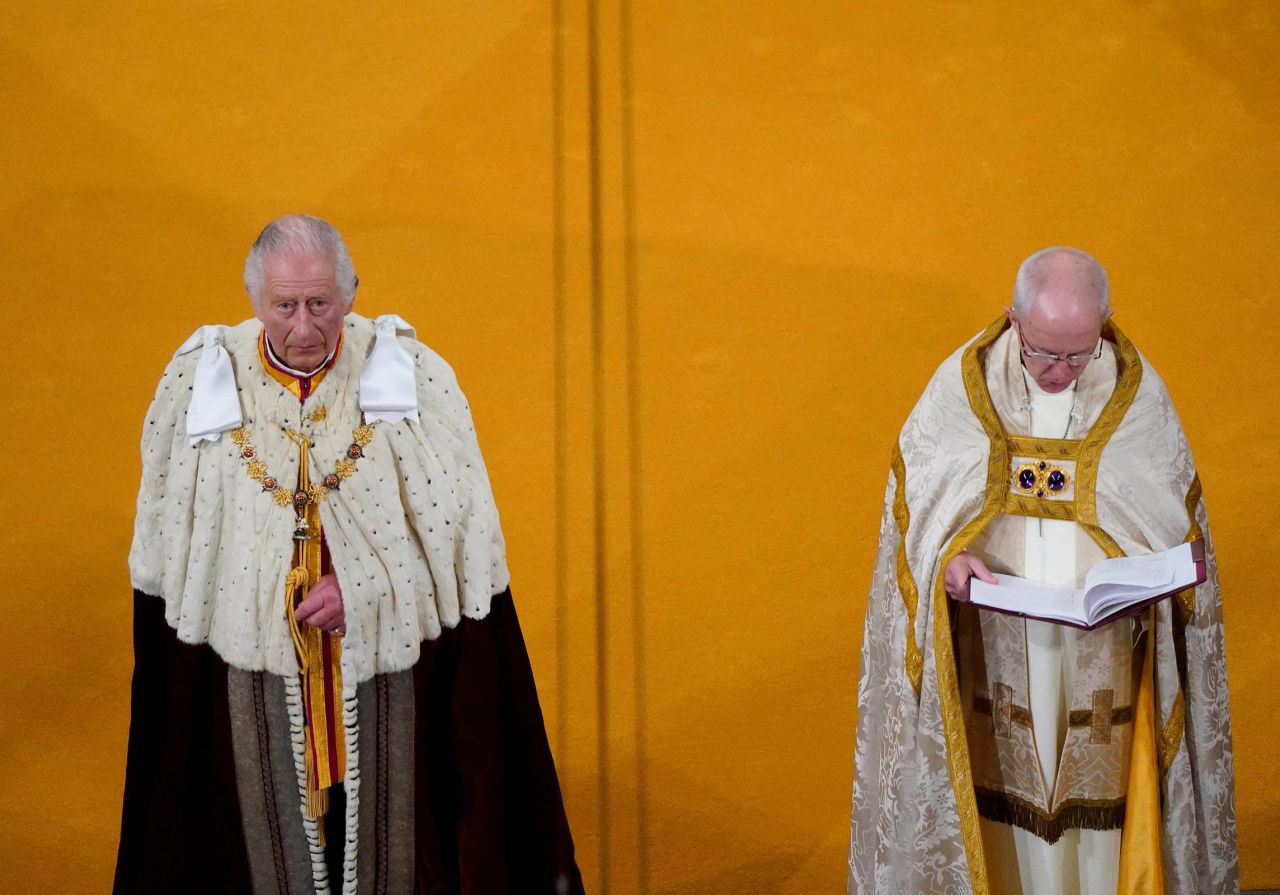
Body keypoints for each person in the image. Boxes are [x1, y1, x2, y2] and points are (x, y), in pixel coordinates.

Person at [115, 214, 585, 894]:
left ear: (352, 292)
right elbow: (173, 563)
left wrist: (366, 588)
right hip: (254, 701)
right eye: (284, 307)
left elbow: (464, 556)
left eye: (320, 305)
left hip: (386, 690)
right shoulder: (198, 388)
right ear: (254, 300)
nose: (303, 329)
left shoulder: (416, 381)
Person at [847, 248, 1238, 895]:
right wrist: (949, 561)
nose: (1059, 371)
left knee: (1097, 831)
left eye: (1077, 355)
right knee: (1005, 825)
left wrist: (1153, 578)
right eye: (1044, 352)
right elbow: (918, 514)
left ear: (1106, 325)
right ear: (1013, 320)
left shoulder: (1136, 400)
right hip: (997, 651)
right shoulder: (965, 387)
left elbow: (1172, 519)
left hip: (1104, 650)